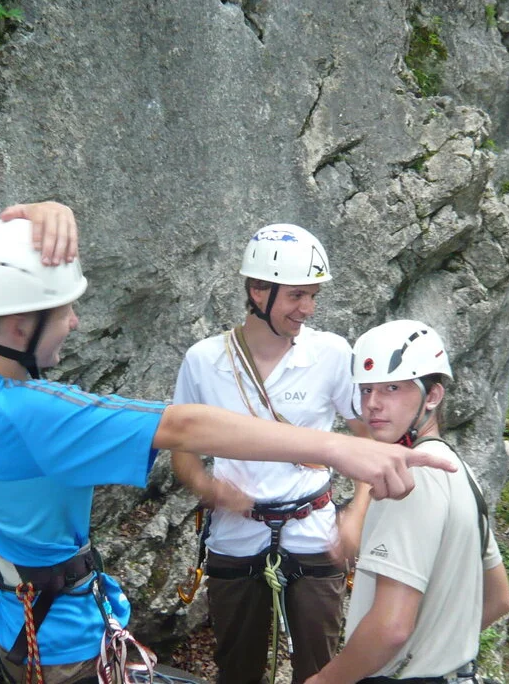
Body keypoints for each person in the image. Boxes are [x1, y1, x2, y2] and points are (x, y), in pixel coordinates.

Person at [0, 204, 458, 684]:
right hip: (63, 641)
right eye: (65, 308)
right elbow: (184, 428)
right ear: (20, 326)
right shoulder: (35, 415)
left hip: (13, 614)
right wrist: (337, 449)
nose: (75, 322)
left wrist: (36, 220)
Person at [170, 224, 369, 684]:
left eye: (312, 295)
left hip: (313, 531)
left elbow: (369, 442)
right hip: (236, 535)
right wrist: (208, 487)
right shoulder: (205, 361)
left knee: (320, 671)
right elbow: (181, 450)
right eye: (297, 295)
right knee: (237, 670)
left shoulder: (331, 354)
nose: (308, 308)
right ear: (258, 291)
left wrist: (356, 516)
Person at [306, 320, 509, 684]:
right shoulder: (458, 471)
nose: (373, 404)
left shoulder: (407, 480)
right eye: (366, 389)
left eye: (392, 388)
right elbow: (498, 599)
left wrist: (324, 681)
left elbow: (390, 627)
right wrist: (435, 648)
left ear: (432, 396)